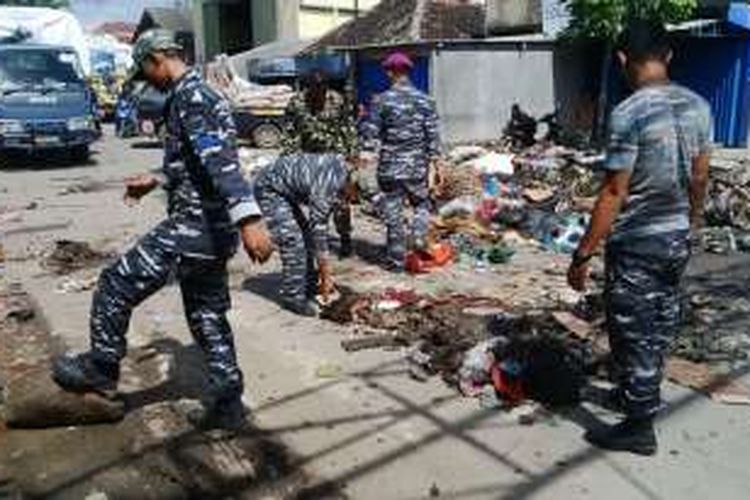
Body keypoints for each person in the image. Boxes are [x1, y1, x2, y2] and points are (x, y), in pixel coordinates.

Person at [52, 29, 274, 431]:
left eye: (145, 70)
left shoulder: (193, 97)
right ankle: (228, 403)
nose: (147, 79)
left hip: (195, 227)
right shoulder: (193, 95)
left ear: (157, 59)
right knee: (207, 316)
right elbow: (194, 163)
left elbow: (222, 163)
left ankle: (100, 372)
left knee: (115, 283)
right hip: (210, 233)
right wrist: (157, 178)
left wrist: (251, 219)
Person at [568, 20, 712, 456]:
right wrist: (693, 219)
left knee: (632, 328)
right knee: (662, 319)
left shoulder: (629, 113)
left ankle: (638, 426)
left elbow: (615, 191)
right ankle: (637, 395)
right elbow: (701, 175)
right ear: (668, 56)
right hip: (675, 237)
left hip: (637, 243)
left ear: (622, 59)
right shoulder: (699, 106)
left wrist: (582, 253)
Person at [361, 52, 443, 273]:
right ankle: (418, 237)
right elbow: (433, 136)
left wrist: (365, 161)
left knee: (394, 214)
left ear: (390, 72)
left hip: (390, 167)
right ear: (408, 71)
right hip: (417, 166)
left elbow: (370, 136)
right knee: (422, 205)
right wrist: (436, 165)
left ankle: (396, 263)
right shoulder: (426, 101)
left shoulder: (380, 100)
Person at [255, 153, 355, 317]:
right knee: (293, 241)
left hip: (286, 188)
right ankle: (293, 297)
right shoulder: (326, 189)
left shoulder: (344, 175)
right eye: (355, 195)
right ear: (351, 185)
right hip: (269, 189)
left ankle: (308, 285)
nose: (354, 200)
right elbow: (319, 234)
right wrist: (326, 275)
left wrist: (346, 241)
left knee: (305, 236)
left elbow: (342, 211)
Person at [282, 70, 359, 258]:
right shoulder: (297, 103)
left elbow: (348, 128)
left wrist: (352, 156)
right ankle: (318, 243)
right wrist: (289, 160)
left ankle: (345, 238)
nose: (320, 93)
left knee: (341, 201)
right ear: (308, 88)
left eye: (323, 88)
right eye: (315, 89)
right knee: (315, 201)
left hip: (335, 157)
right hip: (310, 160)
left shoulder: (337, 100)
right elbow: (290, 133)